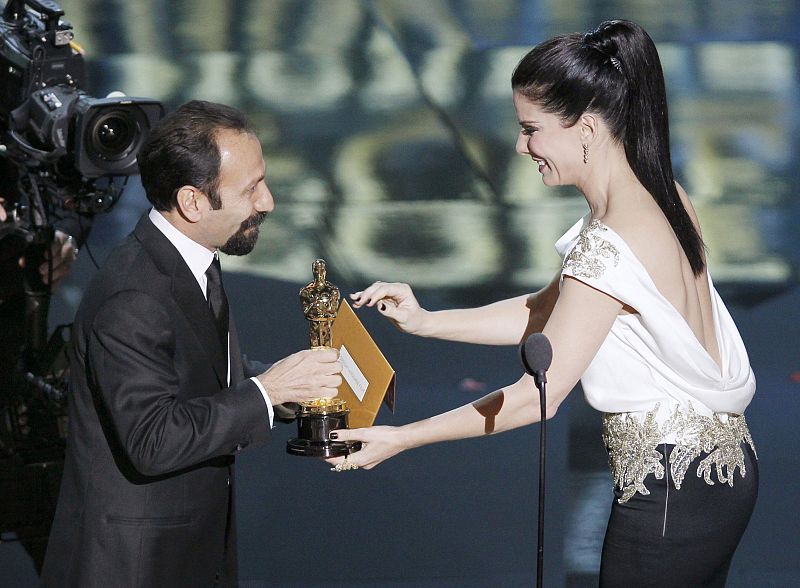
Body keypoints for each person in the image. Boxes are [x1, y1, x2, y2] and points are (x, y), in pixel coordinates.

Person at [329, 20, 757, 587]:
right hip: (719, 472)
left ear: (585, 127)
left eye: (531, 129)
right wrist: (426, 321)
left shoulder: (608, 246)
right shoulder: (664, 194)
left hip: (671, 488)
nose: (520, 145)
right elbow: (548, 312)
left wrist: (401, 438)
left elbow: (540, 398)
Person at [40, 100, 343, 587]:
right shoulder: (133, 297)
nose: (268, 202)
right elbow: (153, 440)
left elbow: (188, 363)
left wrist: (285, 390)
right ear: (193, 202)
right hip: (136, 567)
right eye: (251, 188)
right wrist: (264, 393)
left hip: (185, 553)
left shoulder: (190, 259)